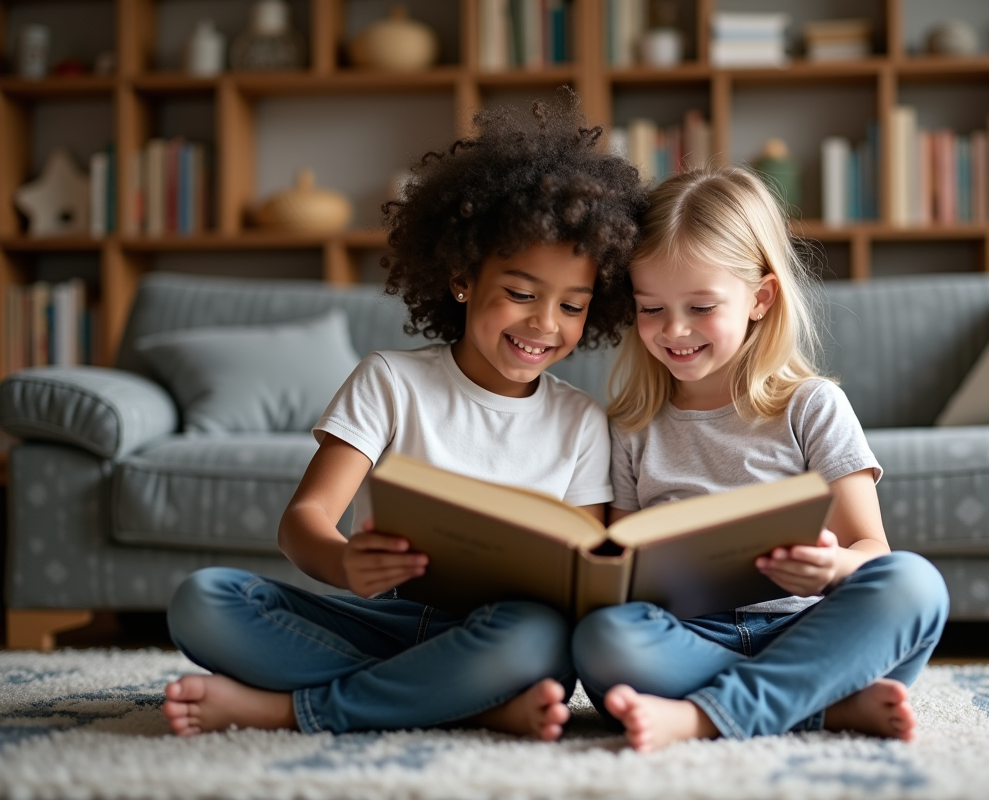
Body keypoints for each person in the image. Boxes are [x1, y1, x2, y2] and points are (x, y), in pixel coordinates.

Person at [162, 94, 647, 741]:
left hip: (502, 632)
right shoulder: (391, 379)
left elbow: (580, 569)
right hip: (390, 618)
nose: (543, 324)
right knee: (205, 602)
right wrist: (343, 564)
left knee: (541, 639)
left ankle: (296, 710)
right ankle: (466, 701)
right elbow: (302, 522)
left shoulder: (583, 420)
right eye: (521, 294)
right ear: (462, 278)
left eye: (572, 305)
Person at [572, 166, 949, 752]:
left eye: (701, 307)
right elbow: (620, 572)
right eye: (651, 309)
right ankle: (823, 707)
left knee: (916, 586)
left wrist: (834, 571)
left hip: (803, 630)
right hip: (690, 638)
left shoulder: (811, 406)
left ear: (760, 298)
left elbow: (872, 550)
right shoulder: (629, 427)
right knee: (602, 637)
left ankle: (702, 717)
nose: (674, 330)